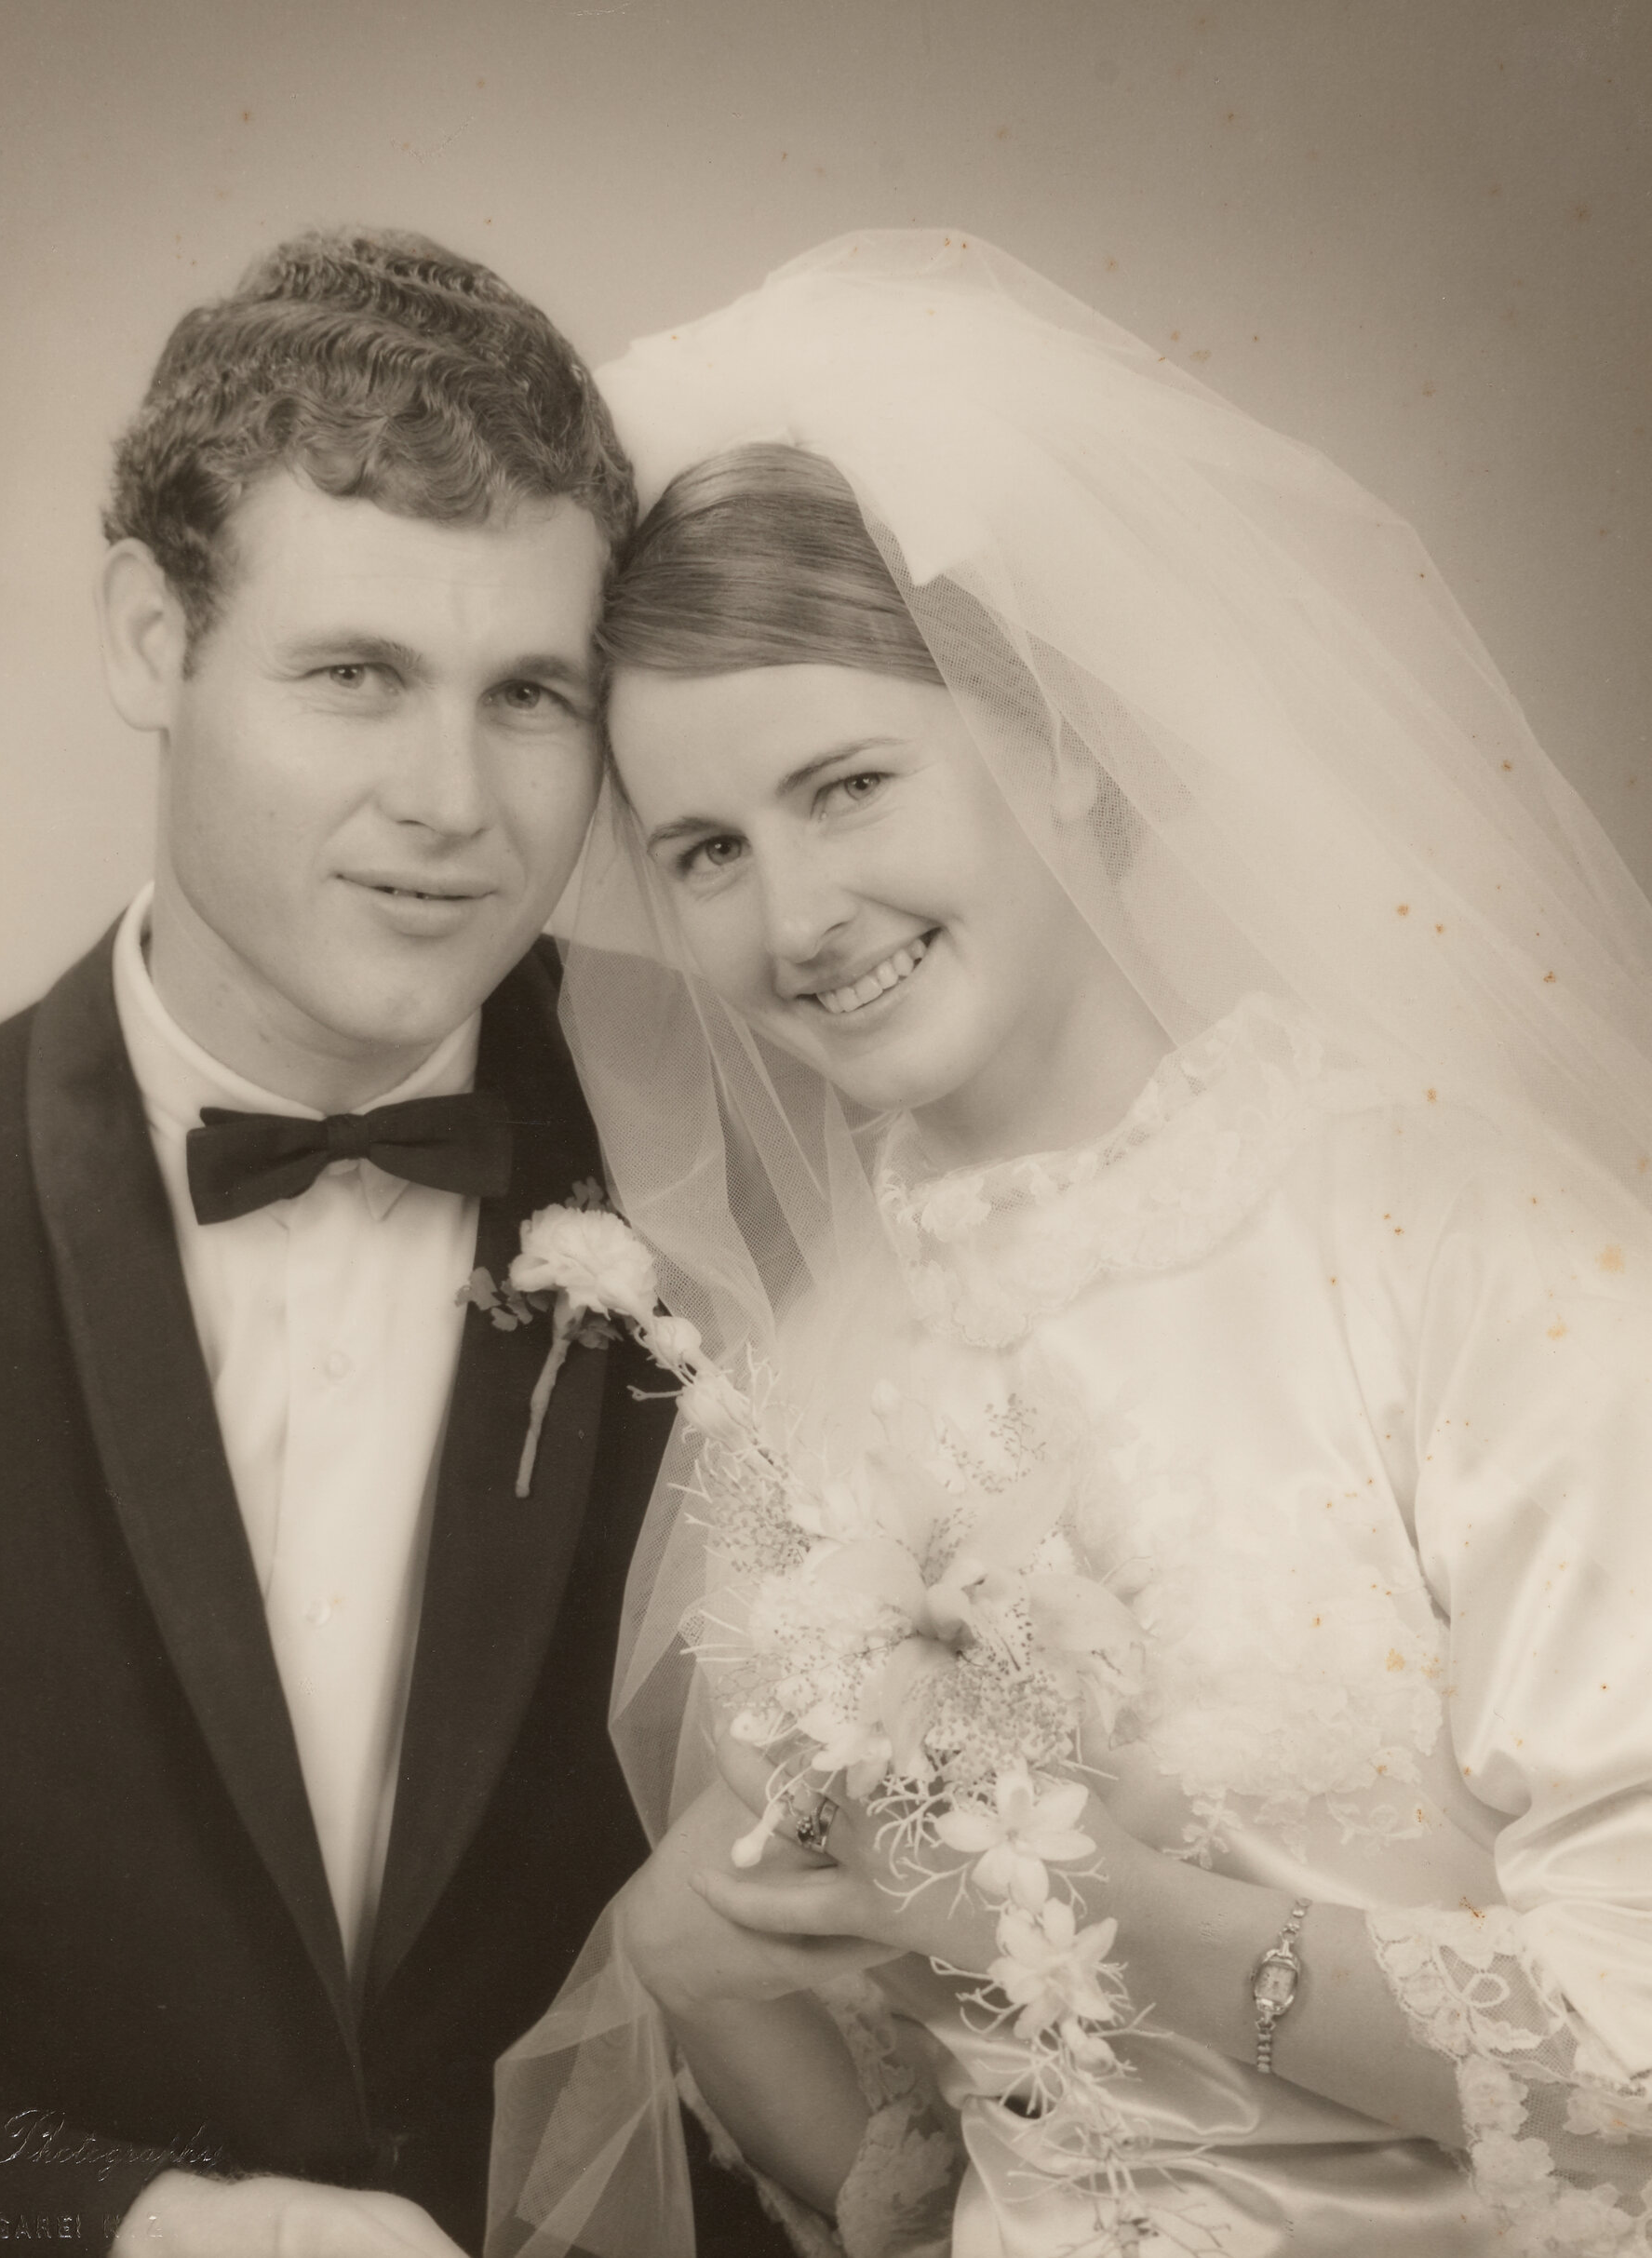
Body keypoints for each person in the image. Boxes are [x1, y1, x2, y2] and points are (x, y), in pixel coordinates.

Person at [490, 234, 1652, 2257]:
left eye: (847, 784)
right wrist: (694, 1955)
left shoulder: (1453, 1238)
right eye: (705, 850)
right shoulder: (839, 1377)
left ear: (1058, 737)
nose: (793, 917)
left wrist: (1102, 1901)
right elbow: (896, 2110)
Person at [0, 228, 784, 2258]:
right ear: (150, 641)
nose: (450, 799)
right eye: (353, 676)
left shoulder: (749, 1168)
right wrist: (133, 2224)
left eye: (530, 696)